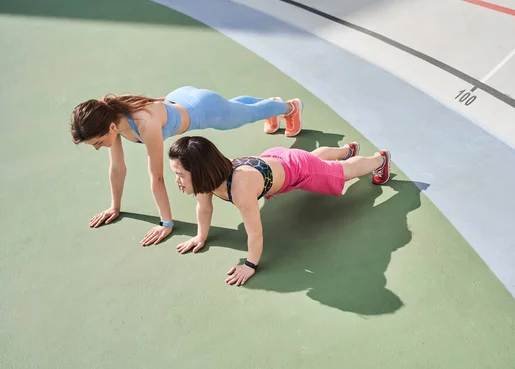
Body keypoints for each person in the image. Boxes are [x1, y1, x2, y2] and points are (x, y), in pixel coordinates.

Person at [69, 86, 303, 246]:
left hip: (203, 109)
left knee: (244, 114)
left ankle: (289, 108)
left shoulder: (144, 124)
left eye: (98, 143)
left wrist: (166, 223)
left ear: (110, 128)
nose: (98, 148)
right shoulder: (113, 117)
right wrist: (114, 207)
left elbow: (157, 178)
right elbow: (117, 168)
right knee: (237, 111)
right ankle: (270, 106)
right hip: (180, 97)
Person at [168, 136, 391, 286]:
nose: (177, 180)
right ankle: (347, 149)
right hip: (276, 159)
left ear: (199, 172)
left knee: (344, 172)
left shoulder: (240, 190)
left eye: (179, 174)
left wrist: (250, 265)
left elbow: (255, 233)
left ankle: (379, 159)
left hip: (297, 170)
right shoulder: (208, 179)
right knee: (315, 159)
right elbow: (204, 208)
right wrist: (200, 236)